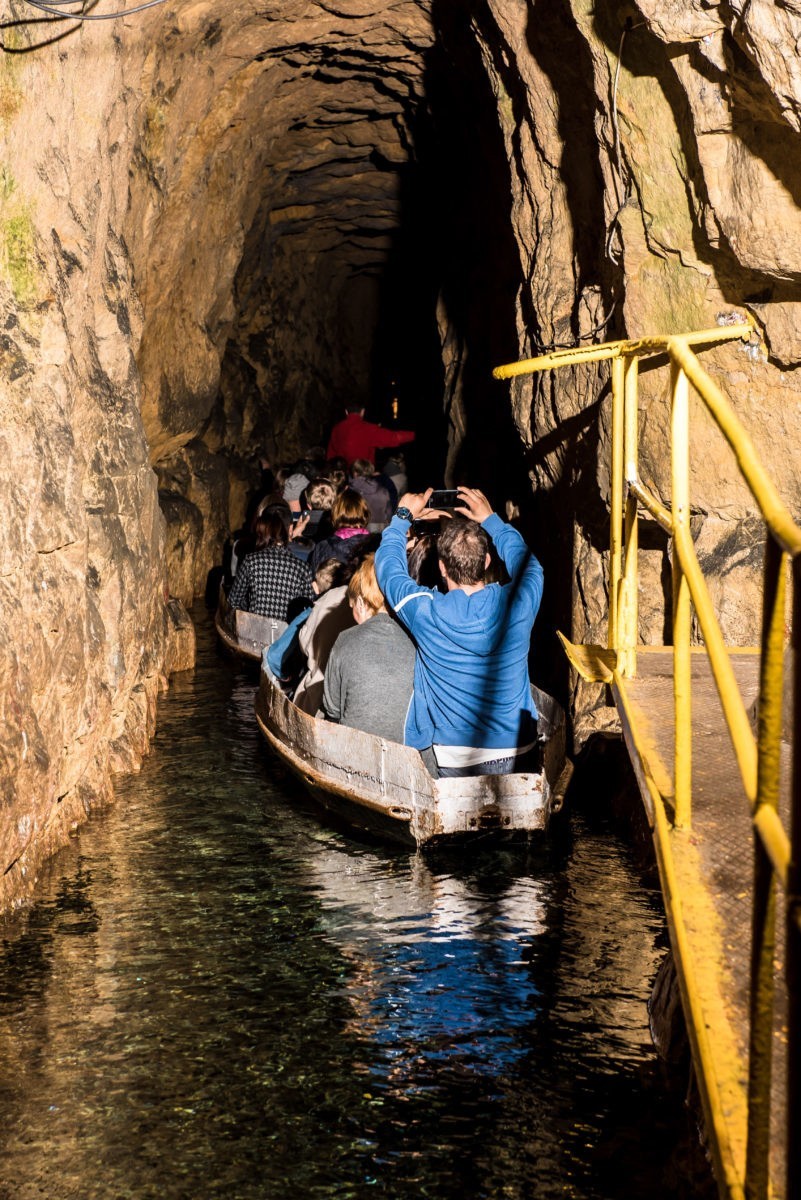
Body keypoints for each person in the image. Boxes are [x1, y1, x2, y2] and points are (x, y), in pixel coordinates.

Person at [374, 486, 544, 777]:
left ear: (441, 568)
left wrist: (401, 518)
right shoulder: (519, 603)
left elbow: (389, 571)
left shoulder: (425, 611)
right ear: (488, 561)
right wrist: (491, 519)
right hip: (519, 749)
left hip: (456, 757)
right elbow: (530, 567)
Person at [323, 555, 415, 743]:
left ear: (361, 602)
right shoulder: (415, 637)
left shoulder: (346, 638)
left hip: (356, 748)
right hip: (407, 749)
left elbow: (332, 708)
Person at [227, 511, 313, 622]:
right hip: (286, 634)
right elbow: (308, 610)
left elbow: (233, 601)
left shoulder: (251, 561)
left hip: (255, 630)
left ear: (260, 536)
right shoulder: (303, 568)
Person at [326, 403, 415, 467]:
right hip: (363, 474)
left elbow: (331, 454)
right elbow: (394, 437)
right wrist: (413, 435)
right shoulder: (369, 429)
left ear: (346, 412)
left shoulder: (336, 428)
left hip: (342, 475)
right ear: (363, 412)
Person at [309, 487, 373, 576]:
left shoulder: (323, 547)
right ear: (365, 513)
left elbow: (315, 584)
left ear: (335, 514)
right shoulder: (377, 546)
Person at [349, 458, 394, 528]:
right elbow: (389, 513)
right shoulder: (383, 490)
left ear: (355, 473)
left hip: (356, 527)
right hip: (379, 527)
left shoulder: (350, 490)